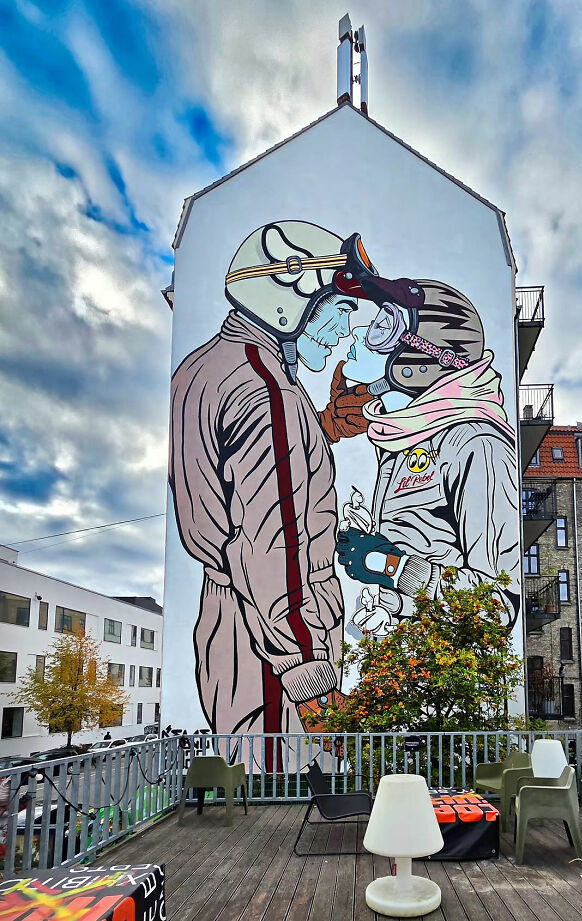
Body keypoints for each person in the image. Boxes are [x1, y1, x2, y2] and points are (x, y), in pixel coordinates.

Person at [169, 221, 376, 768]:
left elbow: (235, 484)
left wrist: (322, 429)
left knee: (253, 776)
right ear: (287, 294)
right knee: (286, 789)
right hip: (278, 640)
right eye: (338, 311)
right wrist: (309, 675)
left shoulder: (208, 366)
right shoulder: (267, 388)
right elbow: (271, 543)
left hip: (236, 622)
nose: (343, 333)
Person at [335, 278, 521, 635]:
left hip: (454, 672)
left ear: (418, 361)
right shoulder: (402, 442)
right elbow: (432, 565)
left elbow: (497, 605)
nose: (358, 333)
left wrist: (391, 566)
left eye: (383, 325)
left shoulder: (475, 444)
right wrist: (391, 611)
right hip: (411, 665)